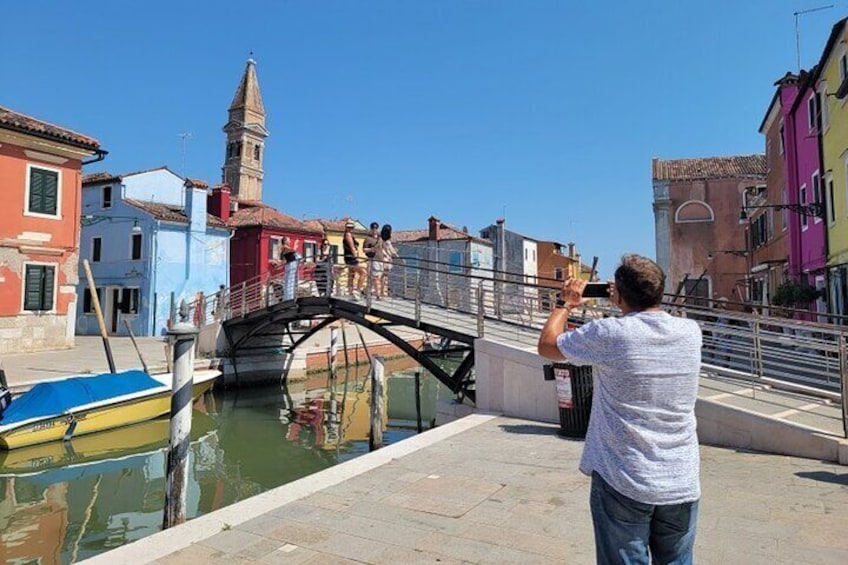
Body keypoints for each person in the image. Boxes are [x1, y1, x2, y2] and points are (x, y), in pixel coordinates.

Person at [537, 254, 702, 565]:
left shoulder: (610, 333)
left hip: (623, 477)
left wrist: (566, 304)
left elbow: (547, 345)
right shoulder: (691, 332)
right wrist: (625, 303)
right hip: (680, 478)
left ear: (620, 293)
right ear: (659, 291)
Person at [373, 224, 398, 298]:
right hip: (384, 259)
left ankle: (382, 292)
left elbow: (391, 248)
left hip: (388, 258)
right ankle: (379, 292)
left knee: (385, 276)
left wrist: (396, 254)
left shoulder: (387, 239)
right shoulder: (380, 238)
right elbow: (381, 248)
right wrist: (386, 255)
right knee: (382, 275)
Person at [342, 221, 366, 297]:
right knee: (363, 272)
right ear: (346, 228)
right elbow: (352, 247)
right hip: (351, 258)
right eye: (349, 227)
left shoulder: (348, 234)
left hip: (348, 257)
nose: (350, 229)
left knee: (351, 275)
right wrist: (356, 257)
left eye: (351, 227)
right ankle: (358, 291)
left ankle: (350, 292)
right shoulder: (348, 235)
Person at [281, 236, 300, 301]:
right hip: (290, 265)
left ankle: (289, 297)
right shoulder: (284, 247)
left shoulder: (286, 247)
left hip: (291, 264)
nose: (289, 241)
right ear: (285, 241)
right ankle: (288, 298)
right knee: (289, 281)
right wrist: (295, 244)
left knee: (291, 281)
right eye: (288, 240)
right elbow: (293, 250)